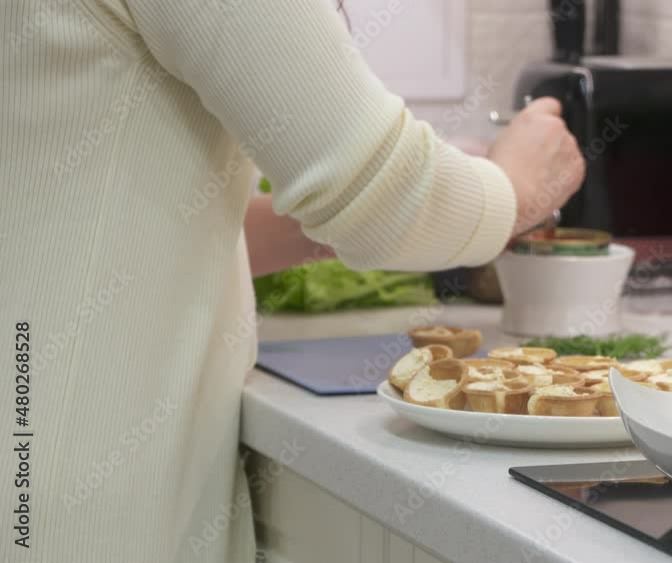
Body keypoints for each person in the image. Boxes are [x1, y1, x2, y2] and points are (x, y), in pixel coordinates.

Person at [0, 0, 584, 561]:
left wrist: (339, 212)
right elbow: (384, 193)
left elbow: (145, 222)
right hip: (76, 484)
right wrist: (518, 185)